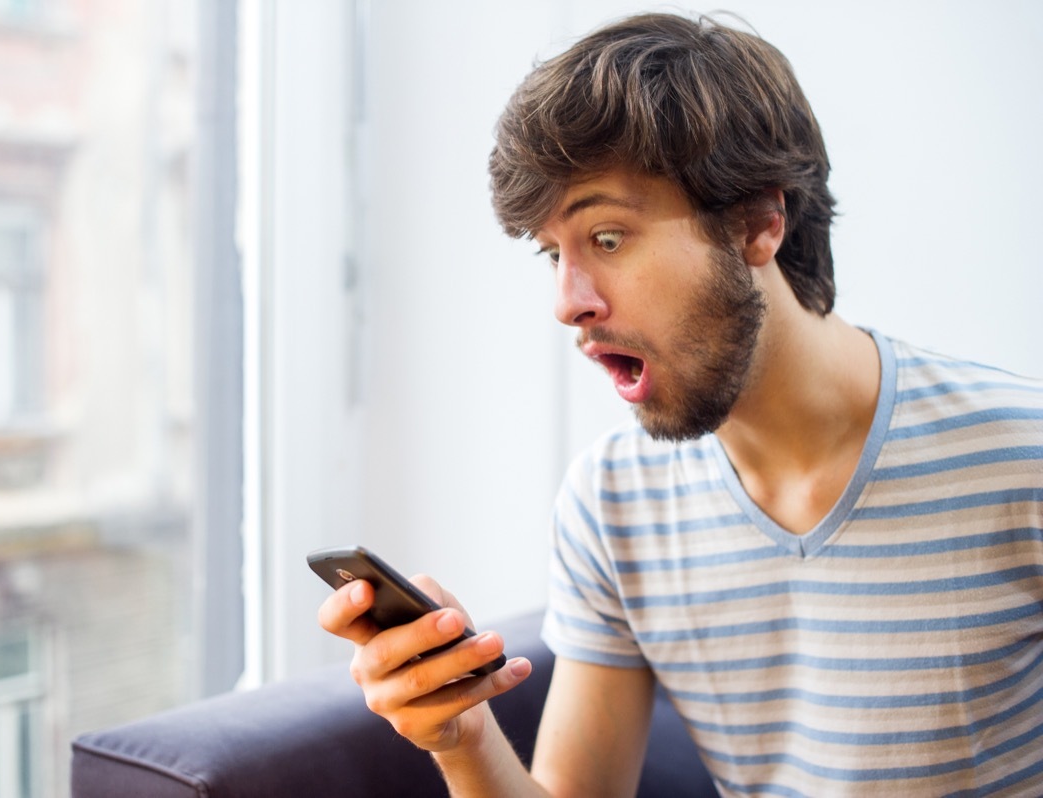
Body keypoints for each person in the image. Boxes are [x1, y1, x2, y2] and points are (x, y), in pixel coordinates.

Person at [318, 11, 1043, 796]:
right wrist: (461, 736)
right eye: (552, 254)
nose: (568, 302)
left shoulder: (1019, 460)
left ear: (759, 224)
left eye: (606, 238)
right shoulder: (615, 502)